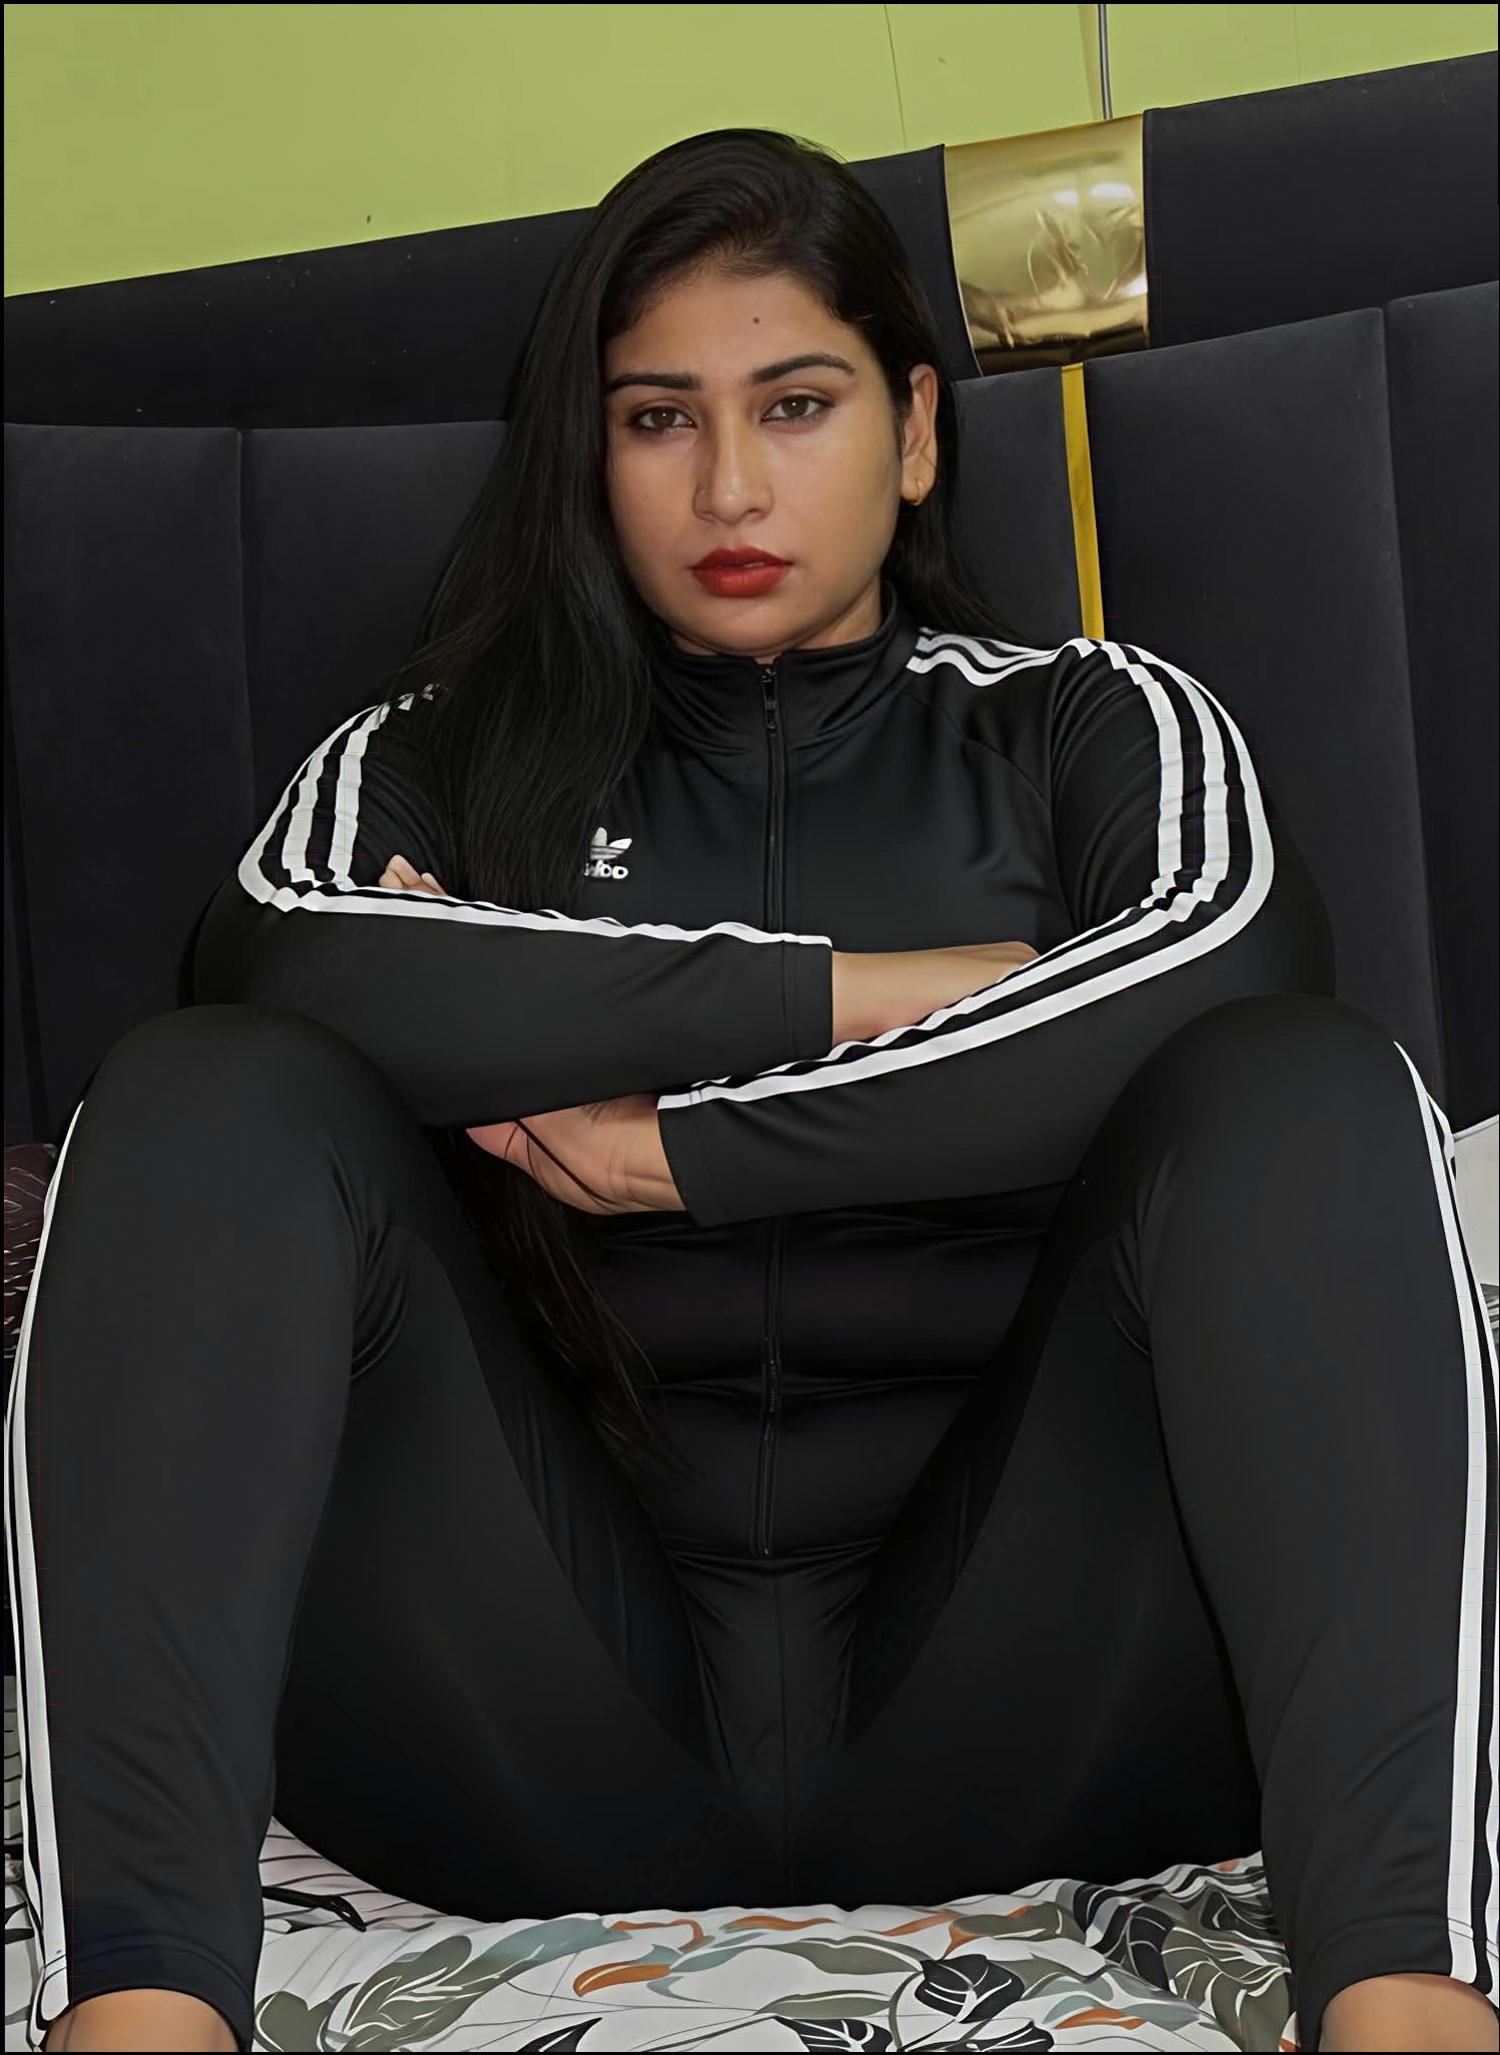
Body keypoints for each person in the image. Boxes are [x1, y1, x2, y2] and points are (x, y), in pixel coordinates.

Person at [8, 127, 1496, 2055]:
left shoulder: (1090, 723)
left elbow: (1228, 959)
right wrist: (884, 989)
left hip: (1057, 1705)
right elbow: (292, 958)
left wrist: (681, 1152)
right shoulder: (437, 757)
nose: (728, 487)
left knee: (1305, 1089)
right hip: (519, 1733)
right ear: (590, 456)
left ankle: (1405, 2004)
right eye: (657, 420)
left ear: (918, 430)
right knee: (201, 1095)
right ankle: (138, 2017)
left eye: (796, 405)